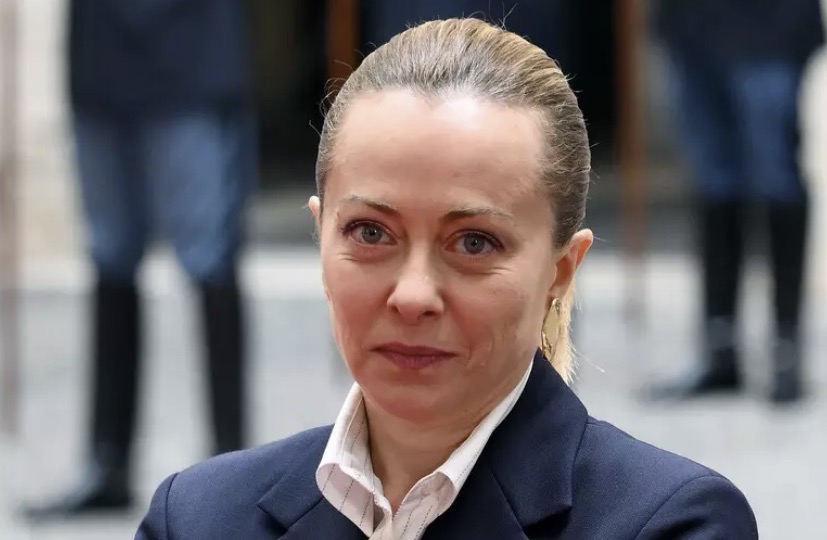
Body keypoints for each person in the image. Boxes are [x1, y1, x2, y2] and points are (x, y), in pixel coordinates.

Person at [136, 19, 757, 539]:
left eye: (474, 243)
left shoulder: (668, 523)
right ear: (321, 237)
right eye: (370, 233)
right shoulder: (198, 518)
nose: (412, 296)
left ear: (562, 271)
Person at [25, 0, 256, 519]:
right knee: (109, 253)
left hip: (190, 56)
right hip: (100, 57)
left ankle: (233, 466)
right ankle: (108, 461)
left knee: (208, 255)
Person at [649, 1, 824, 404]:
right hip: (693, 25)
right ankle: (721, 349)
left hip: (769, 28)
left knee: (776, 175)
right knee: (714, 182)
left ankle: (785, 350)